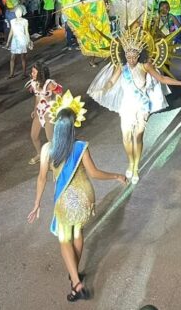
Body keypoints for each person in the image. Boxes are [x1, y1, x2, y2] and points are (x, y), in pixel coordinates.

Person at [27, 92, 127, 303]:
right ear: (72, 128)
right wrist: (116, 175)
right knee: (78, 231)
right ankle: (75, 273)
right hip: (84, 196)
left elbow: (42, 179)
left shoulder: (47, 149)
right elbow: (95, 173)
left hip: (65, 200)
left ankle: (77, 284)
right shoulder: (81, 146)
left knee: (65, 239)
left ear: (56, 126)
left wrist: (36, 204)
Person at [88, 25, 181, 184]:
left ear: (139, 54)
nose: (131, 60)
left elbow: (162, 79)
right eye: (128, 56)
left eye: (134, 56)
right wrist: (103, 88)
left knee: (137, 137)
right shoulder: (121, 66)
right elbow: (111, 81)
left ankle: (136, 166)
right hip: (127, 106)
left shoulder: (145, 66)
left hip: (142, 108)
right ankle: (130, 161)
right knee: (125, 138)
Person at [26, 62, 63, 165]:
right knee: (34, 136)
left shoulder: (49, 83)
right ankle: (39, 154)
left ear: (40, 73)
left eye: (34, 72)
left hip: (48, 113)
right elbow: (37, 98)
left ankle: (55, 160)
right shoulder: (34, 83)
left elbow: (59, 93)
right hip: (39, 113)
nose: (32, 74)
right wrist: (34, 110)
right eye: (32, 72)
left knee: (50, 138)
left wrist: (55, 106)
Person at [6, 7, 32, 79]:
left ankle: (24, 73)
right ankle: (11, 74)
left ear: (22, 13)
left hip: (22, 40)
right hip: (15, 41)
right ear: (15, 13)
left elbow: (26, 32)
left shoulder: (25, 21)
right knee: (12, 57)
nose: (18, 14)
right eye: (17, 12)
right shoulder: (12, 21)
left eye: (20, 12)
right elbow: (11, 32)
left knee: (23, 57)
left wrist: (28, 41)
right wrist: (8, 42)